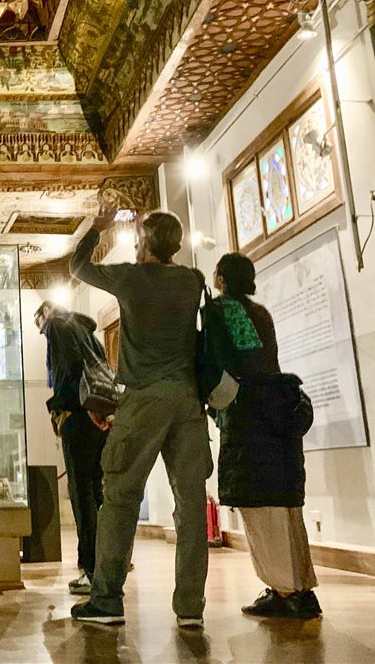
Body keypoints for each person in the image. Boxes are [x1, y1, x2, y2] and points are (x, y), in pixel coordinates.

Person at [68, 208, 212, 630]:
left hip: (144, 397)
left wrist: (97, 227)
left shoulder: (132, 278)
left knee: (120, 498)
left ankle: (107, 599)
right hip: (188, 400)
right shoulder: (193, 280)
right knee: (191, 506)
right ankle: (190, 607)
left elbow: (78, 267)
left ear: (145, 242)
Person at [206, 253, 320, 620]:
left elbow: (220, 363)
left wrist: (214, 404)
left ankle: (285, 590)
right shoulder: (261, 312)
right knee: (286, 508)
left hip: (248, 415)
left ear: (221, 278)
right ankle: (301, 588)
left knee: (261, 508)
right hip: (278, 407)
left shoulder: (220, 309)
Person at [34, 300, 117, 595]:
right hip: (99, 414)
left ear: (46, 313)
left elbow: (69, 368)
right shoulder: (88, 333)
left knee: (81, 493)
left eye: (39, 323)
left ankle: (90, 569)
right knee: (96, 490)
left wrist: (61, 408)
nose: (42, 330)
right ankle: (108, 562)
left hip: (79, 414)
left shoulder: (58, 325)